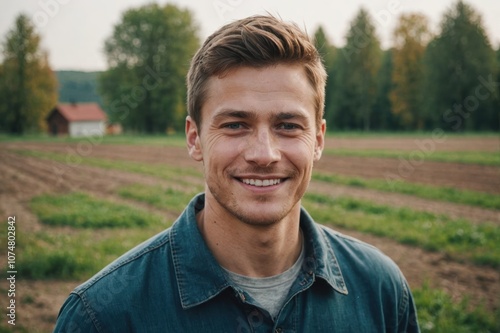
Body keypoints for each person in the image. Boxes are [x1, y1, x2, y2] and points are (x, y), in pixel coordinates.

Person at [54, 15, 419, 332]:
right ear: (195, 139)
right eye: (234, 125)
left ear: (318, 140)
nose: (264, 154)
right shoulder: (103, 317)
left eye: (288, 125)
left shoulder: (382, 292)